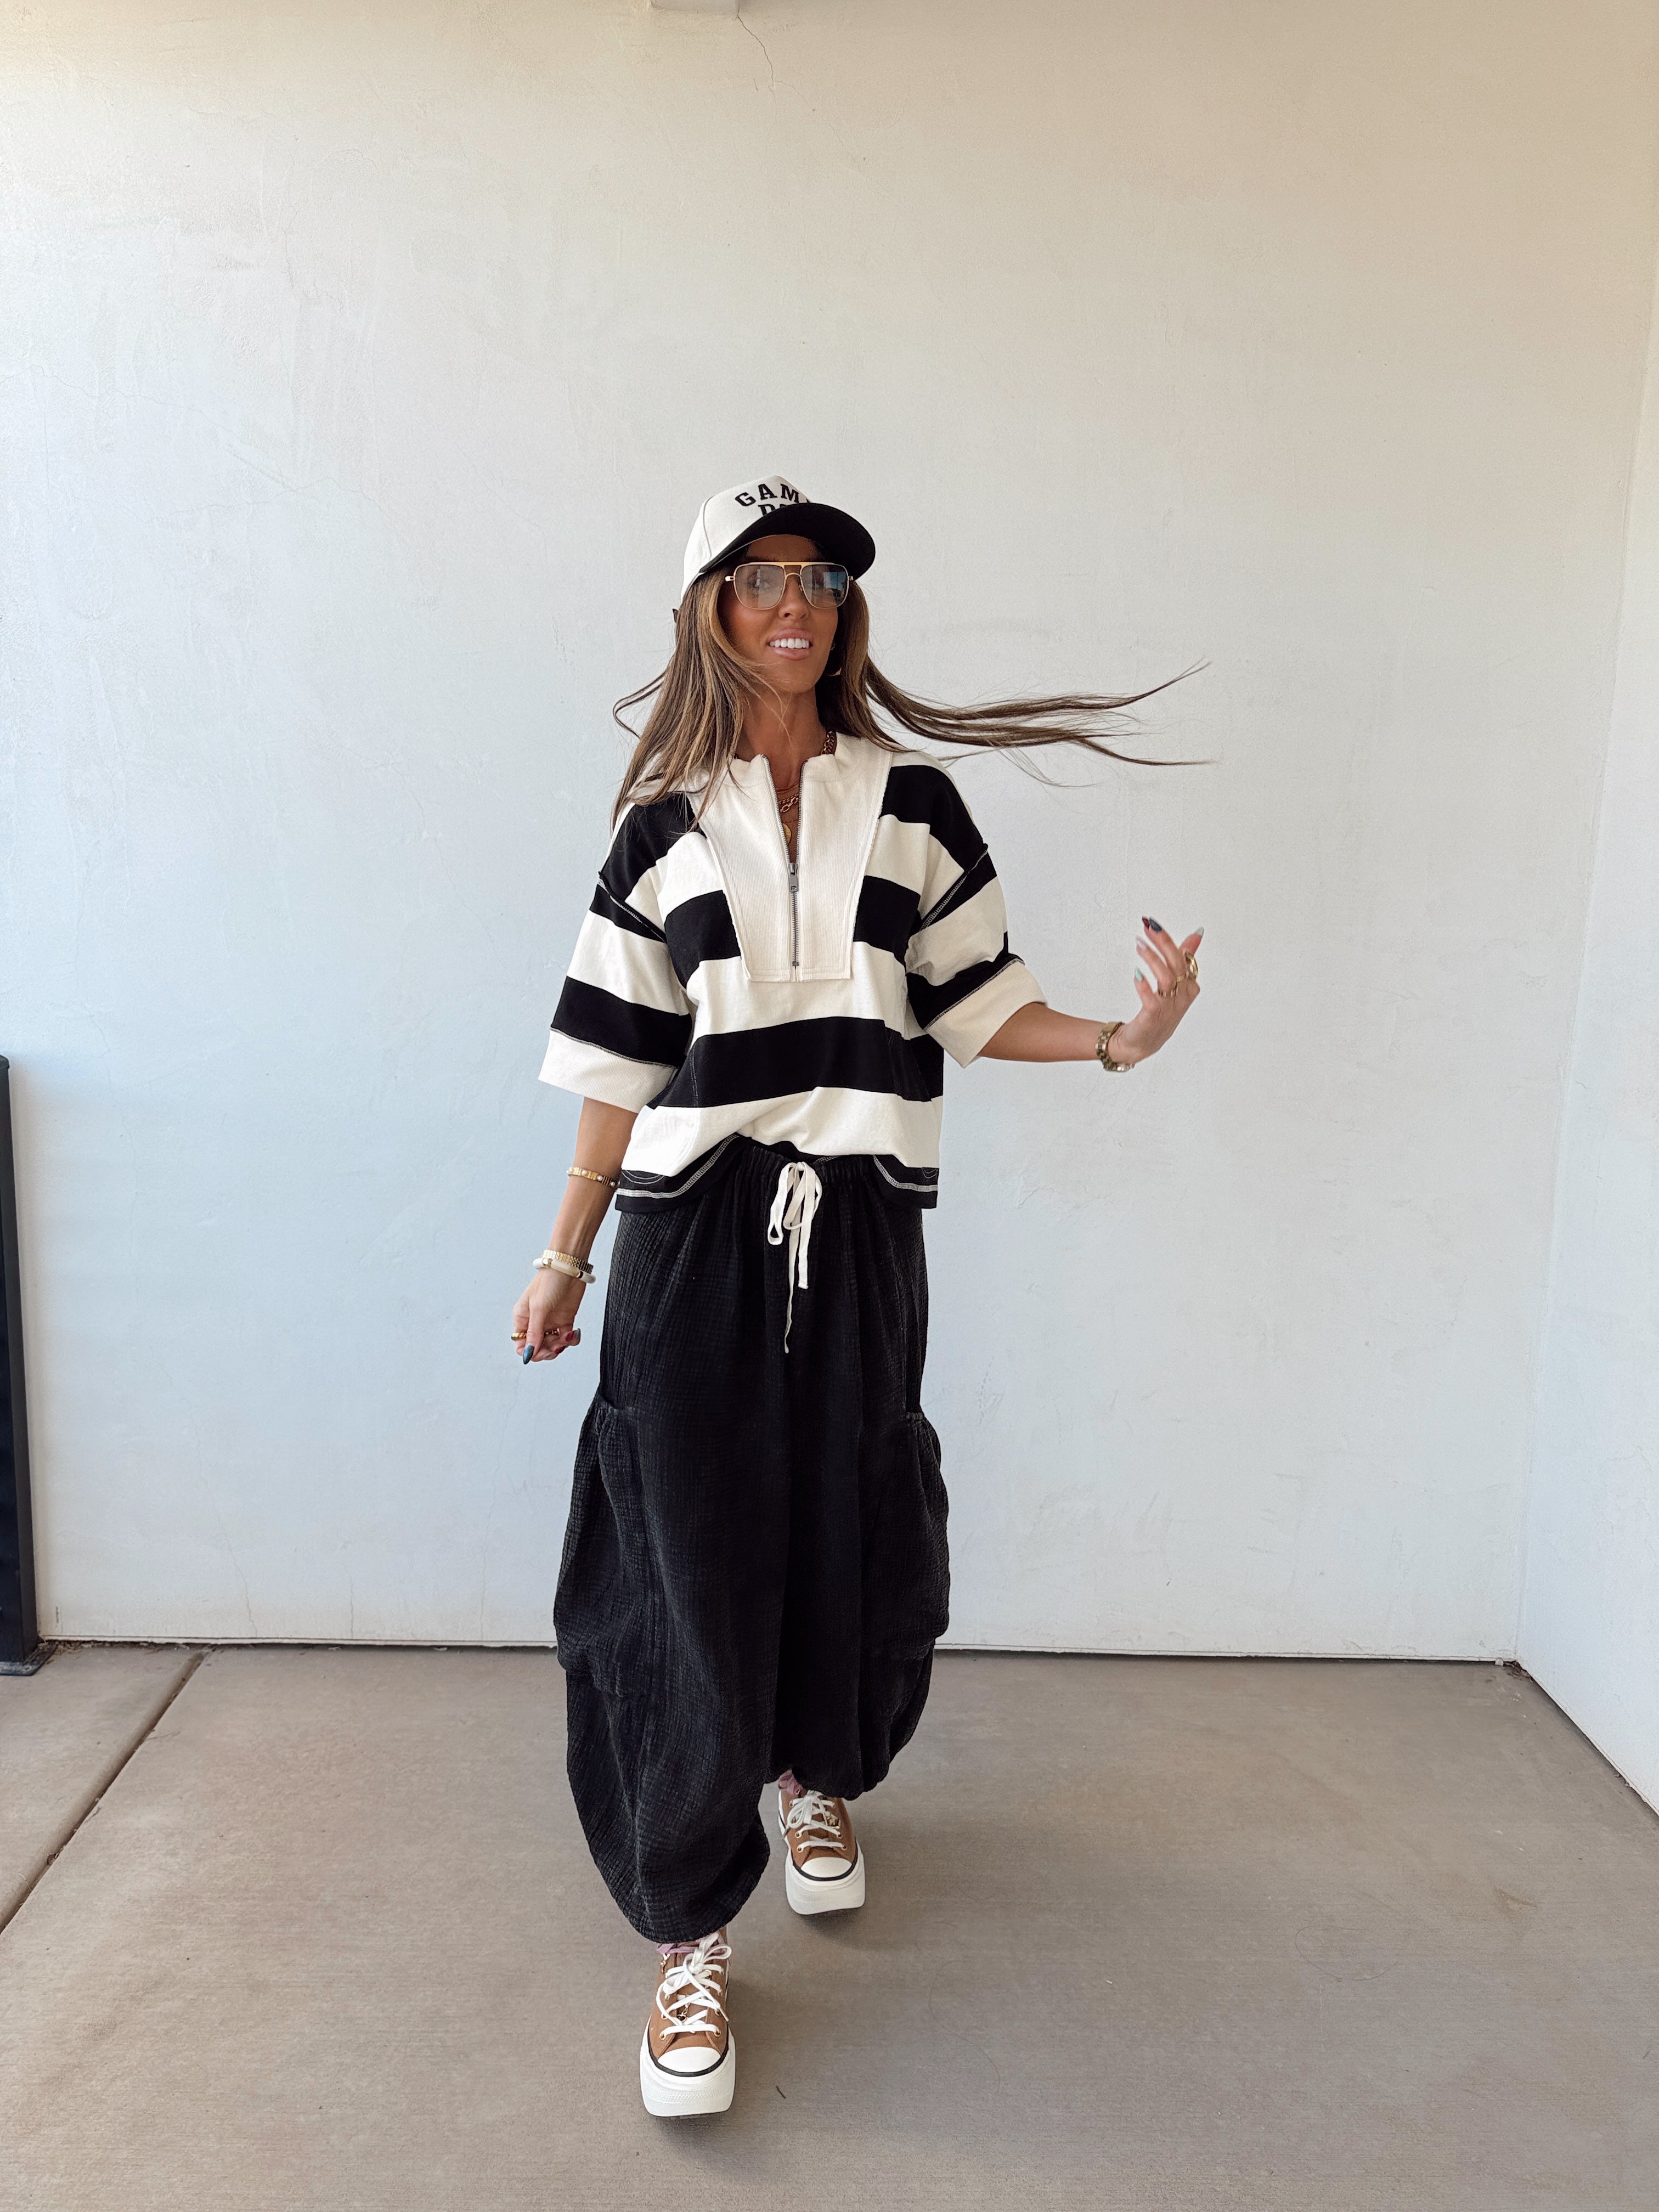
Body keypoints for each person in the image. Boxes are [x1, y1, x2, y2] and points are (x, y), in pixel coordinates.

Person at [513, 475, 1202, 2117]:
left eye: (819, 578)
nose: (795, 605)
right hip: (692, 1233)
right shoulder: (662, 826)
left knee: (849, 1516)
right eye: (760, 580)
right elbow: (616, 1064)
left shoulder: (916, 808)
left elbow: (975, 1004)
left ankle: (813, 1775)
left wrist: (1121, 1039)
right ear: (710, 612)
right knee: (684, 1555)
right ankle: (690, 1929)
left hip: (868, 1224)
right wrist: (565, 1252)